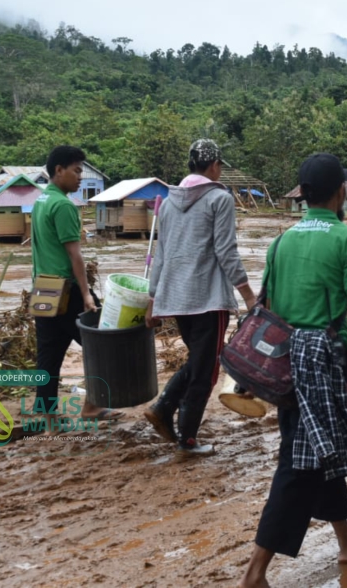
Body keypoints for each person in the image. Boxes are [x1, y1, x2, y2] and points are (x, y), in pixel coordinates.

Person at [239, 153, 347, 588]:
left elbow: (266, 309)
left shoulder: (281, 242)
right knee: (299, 463)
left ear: (303, 195)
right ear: (341, 192)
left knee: (317, 448)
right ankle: (255, 572)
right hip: (323, 359)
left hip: (286, 360)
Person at [144, 138, 257, 459]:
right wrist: (248, 295)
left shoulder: (167, 202)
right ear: (213, 166)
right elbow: (225, 250)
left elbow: (160, 255)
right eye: (220, 165)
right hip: (207, 299)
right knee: (206, 370)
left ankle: (164, 408)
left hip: (177, 299)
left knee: (199, 362)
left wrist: (154, 299)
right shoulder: (219, 198)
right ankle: (188, 438)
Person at [30, 145, 122, 432]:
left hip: (43, 288)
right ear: (59, 170)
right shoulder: (63, 206)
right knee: (103, 347)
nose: (81, 177)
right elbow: (75, 256)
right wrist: (86, 295)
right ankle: (92, 406)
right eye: (77, 170)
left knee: (48, 356)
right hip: (67, 291)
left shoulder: (41, 200)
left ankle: (50, 420)